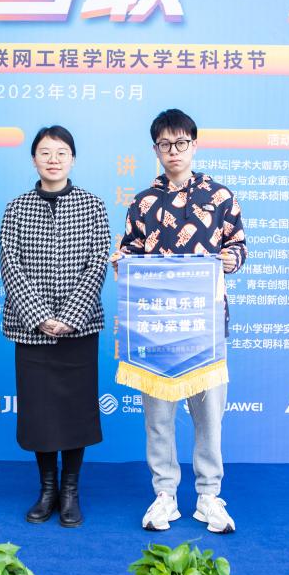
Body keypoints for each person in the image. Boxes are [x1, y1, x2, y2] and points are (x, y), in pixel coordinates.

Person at [114, 109, 246, 534]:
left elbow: (238, 245)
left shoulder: (220, 197)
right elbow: (130, 251)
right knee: (158, 419)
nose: (174, 151)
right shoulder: (143, 202)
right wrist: (122, 262)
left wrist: (232, 259)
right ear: (155, 149)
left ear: (194, 144)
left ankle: (209, 496)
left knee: (209, 419)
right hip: (156, 329)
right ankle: (165, 494)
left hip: (205, 327)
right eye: (165, 144)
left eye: (181, 142)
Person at [0, 125, 110, 528]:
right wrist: (40, 316)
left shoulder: (93, 205)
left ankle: (71, 490)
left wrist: (69, 317)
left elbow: (98, 263)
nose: (53, 159)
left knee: (75, 412)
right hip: (31, 329)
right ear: (34, 159)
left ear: (72, 159)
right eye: (45, 152)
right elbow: (9, 265)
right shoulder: (16, 208)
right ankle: (47, 489)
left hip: (79, 329)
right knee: (40, 413)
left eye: (62, 152)